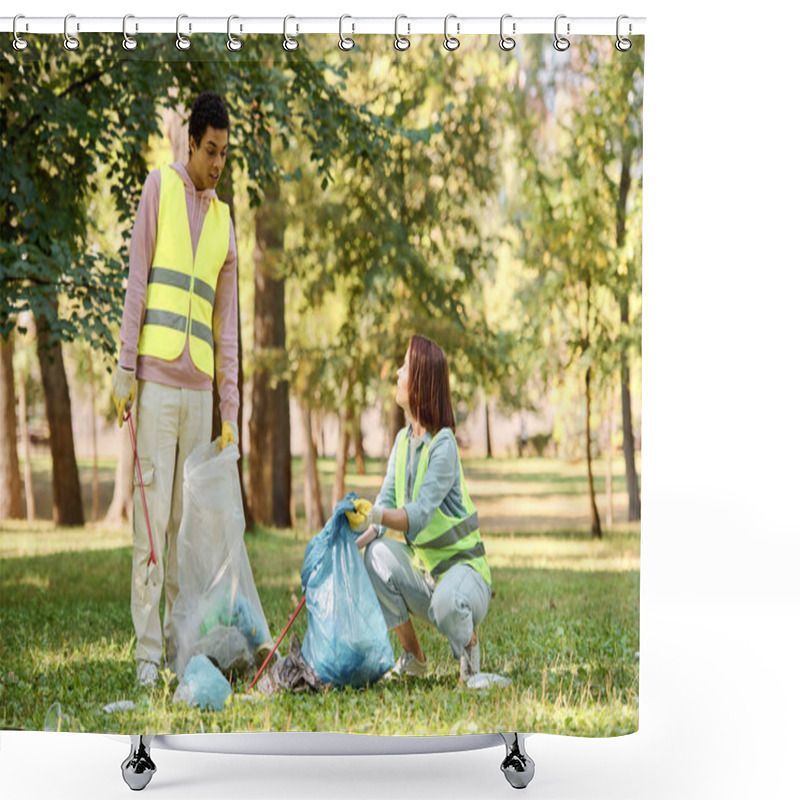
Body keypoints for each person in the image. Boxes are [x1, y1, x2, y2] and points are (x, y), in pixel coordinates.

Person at [111, 92, 240, 688]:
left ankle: (177, 654)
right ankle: (145, 661)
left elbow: (229, 327)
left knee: (187, 535)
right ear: (190, 142)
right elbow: (138, 283)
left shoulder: (225, 221)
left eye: (224, 154)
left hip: (199, 396)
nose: (217, 164)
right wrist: (124, 370)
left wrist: (230, 411)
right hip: (157, 384)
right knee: (151, 525)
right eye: (210, 150)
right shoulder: (158, 189)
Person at [353, 334, 492, 683]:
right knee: (376, 554)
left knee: (447, 603)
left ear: (418, 382)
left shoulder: (443, 445)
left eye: (404, 367)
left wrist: (375, 514)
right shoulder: (402, 443)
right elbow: (383, 511)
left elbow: (417, 515)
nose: (398, 374)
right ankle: (414, 659)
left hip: (466, 576)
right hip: (428, 578)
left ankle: (471, 655)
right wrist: (350, 546)